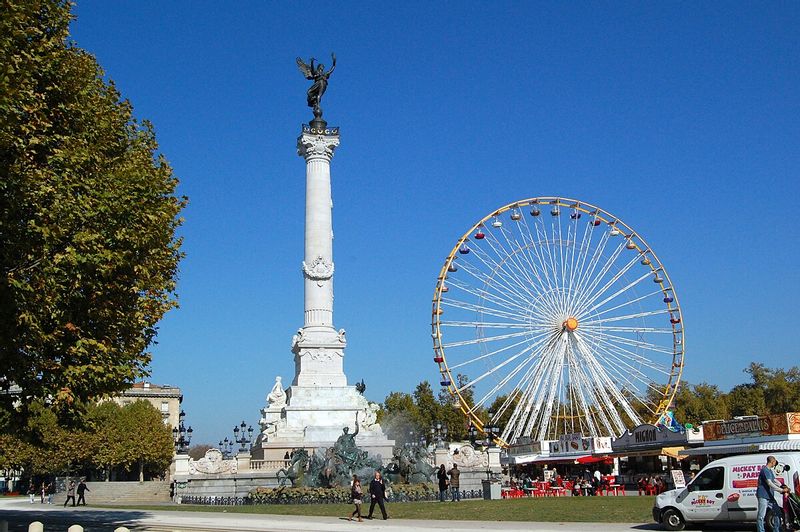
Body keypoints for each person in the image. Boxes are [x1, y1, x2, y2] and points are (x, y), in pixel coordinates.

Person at [757, 455, 789, 532]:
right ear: (772, 462)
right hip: (763, 496)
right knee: (761, 515)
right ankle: (761, 530)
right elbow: (769, 483)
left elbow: (774, 480)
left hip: (770, 496)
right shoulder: (764, 470)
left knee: (777, 512)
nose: (775, 464)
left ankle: (776, 529)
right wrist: (780, 490)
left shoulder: (770, 471)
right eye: (775, 462)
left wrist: (782, 485)